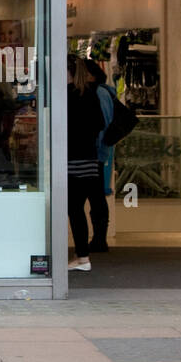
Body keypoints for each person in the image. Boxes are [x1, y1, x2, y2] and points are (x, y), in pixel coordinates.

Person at [67, 56, 106, 272]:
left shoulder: (69, 96)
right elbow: (99, 123)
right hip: (89, 158)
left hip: (73, 159)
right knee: (77, 208)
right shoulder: (90, 94)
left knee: (74, 209)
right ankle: (81, 255)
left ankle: (82, 256)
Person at [85, 58, 114, 252]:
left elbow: (103, 124)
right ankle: (98, 238)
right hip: (94, 152)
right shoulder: (96, 92)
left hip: (96, 153)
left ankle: (100, 238)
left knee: (96, 197)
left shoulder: (100, 93)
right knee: (95, 196)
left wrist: (98, 152)